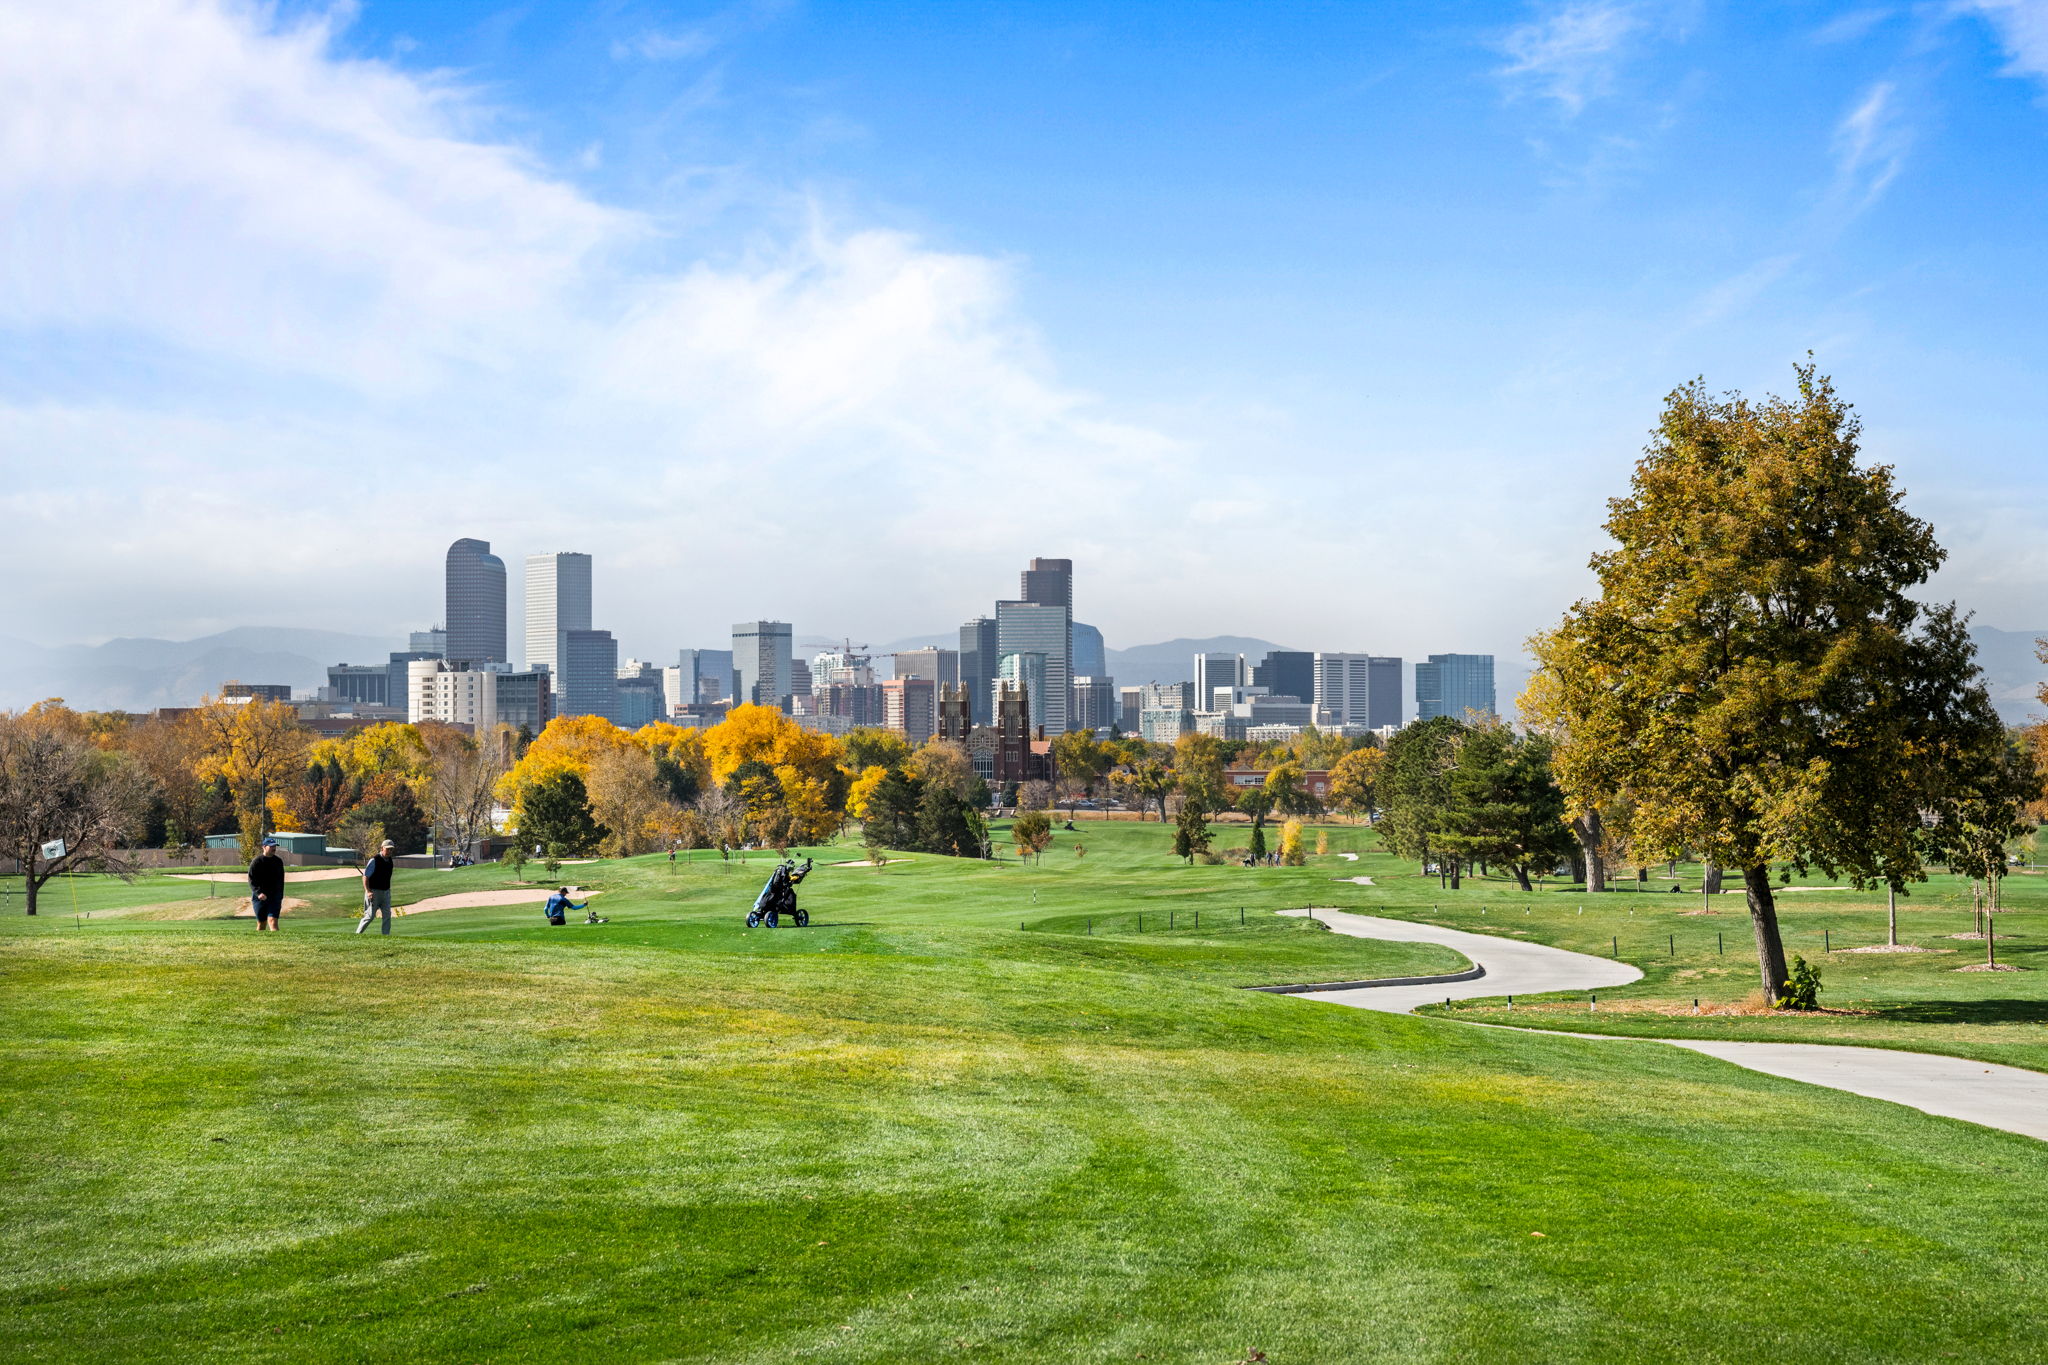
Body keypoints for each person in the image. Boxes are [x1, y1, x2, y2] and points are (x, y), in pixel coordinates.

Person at [356, 839, 396, 935]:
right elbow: (365, 877)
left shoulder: (390, 860)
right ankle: (358, 934)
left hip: (386, 892)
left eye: (391, 849)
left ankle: (386, 936)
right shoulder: (374, 860)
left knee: (387, 915)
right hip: (374, 892)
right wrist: (368, 891)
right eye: (388, 849)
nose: (390, 851)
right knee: (370, 916)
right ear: (382, 848)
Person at [247, 838, 285, 931]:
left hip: (274, 896)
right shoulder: (257, 861)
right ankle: (260, 944)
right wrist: (258, 893)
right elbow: (251, 880)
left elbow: (280, 880)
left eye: (275, 846)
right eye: (271, 846)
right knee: (261, 924)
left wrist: (279, 895)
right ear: (264, 847)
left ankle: (277, 944)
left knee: (273, 922)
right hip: (260, 897)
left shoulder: (278, 861)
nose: (274, 848)